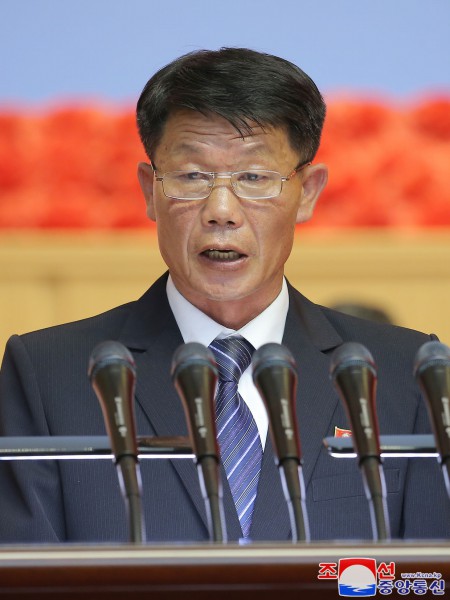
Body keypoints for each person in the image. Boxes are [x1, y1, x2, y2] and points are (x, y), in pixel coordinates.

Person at [0, 47, 449, 544]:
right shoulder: (48, 376)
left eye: (254, 178)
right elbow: (25, 572)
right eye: (192, 176)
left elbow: (427, 574)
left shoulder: (401, 374)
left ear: (308, 192)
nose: (221, 210)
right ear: (150, 190)